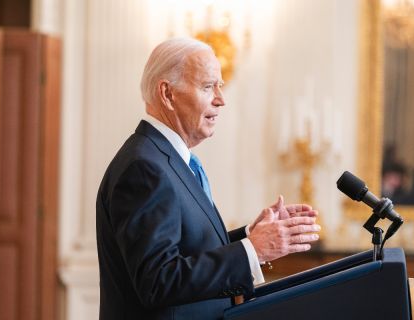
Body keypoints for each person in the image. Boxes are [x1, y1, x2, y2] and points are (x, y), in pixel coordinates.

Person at [96, 38, 321, 320]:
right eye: (207, 86)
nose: (221, 99)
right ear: (167, 94)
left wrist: (250, 237)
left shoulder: (167, 158)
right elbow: (158, 280)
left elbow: (186, 250)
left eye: (220, 86)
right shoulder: (144, 167)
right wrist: (253, 250)